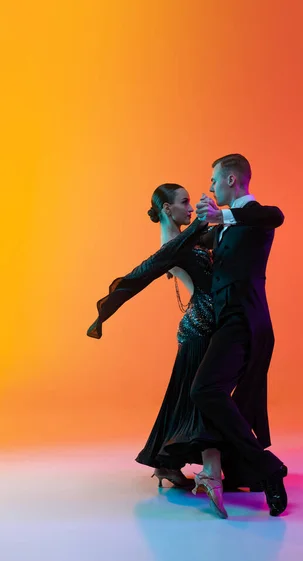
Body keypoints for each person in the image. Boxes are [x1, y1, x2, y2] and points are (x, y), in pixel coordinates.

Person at [88, 184, 234, 518]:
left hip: (203, 325)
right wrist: (104, 312)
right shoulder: (173, 245)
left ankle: (164, 464)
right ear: (167, 209)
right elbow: (143, 273)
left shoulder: (185, 240)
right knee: (204, 397)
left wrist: (220, 217)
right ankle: (211, 473)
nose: (190, 208)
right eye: (184, 203)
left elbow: (211, 238)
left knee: (184, 397)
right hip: (201, 327)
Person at [192, 153, 288, 516]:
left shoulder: (255, 216)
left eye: (214, 180)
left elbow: (275, 215)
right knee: (236, 403)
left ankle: (268, 469)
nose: (211, 187)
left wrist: (222, 216)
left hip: (246, 322)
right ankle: (248, 470)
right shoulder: (225, 227)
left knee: (205, 390)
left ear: (231, 180)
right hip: (230, 322)